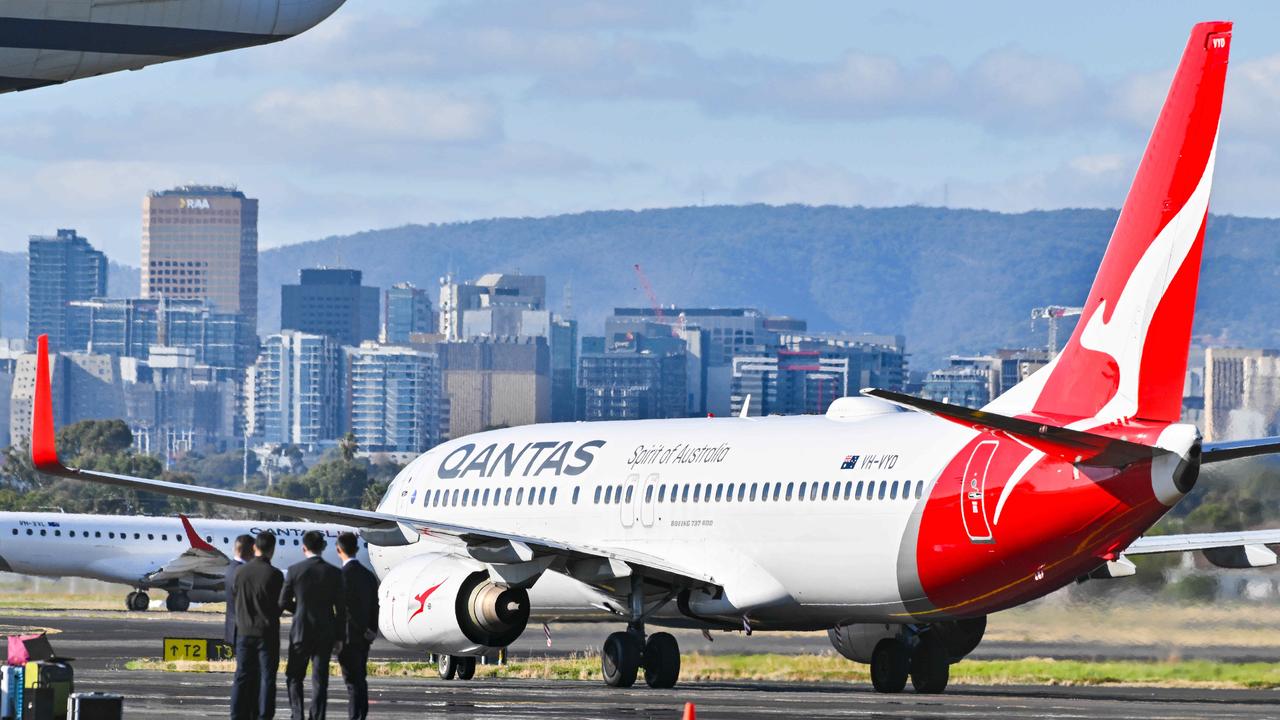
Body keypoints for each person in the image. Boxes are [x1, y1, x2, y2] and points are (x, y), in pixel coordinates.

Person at [280, 530, 346, 720]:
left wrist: (299, 610)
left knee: (294, 676)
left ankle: (297, 715)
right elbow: (341, 610)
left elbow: (283, 601)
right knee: (320, 679)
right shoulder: (334, 573)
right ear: (324, 547)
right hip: (325, 632)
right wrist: (340, 637)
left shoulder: (294, 570)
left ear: (304, 548)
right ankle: (317, 716)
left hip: (301, 630)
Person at [231, 531, 283, 720]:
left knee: (241, 676)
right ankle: (264, 715)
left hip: (244, 631)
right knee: (267, 678)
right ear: (272, 550)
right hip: (266, 633)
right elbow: (280, 604)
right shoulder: (275, 574)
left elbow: (236, 597)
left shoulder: (239, 572)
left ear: (255, 548)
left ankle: (236, 715)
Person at [335, 532, 378, 720]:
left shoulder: (340, 576)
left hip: (346, 636)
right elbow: (374, 606)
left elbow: (341, 609)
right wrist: (371, 629)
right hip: (364, 636)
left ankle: (355, 716)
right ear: (357, 549)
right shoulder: (368, 576)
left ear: (338, 550)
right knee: (360, 678)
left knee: (352, 681)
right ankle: (361, 715)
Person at [225, 534, 256, 648]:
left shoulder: (230, 568)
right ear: (253, 550)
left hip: (233, 627)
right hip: (245, 629)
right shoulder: (245, 571)